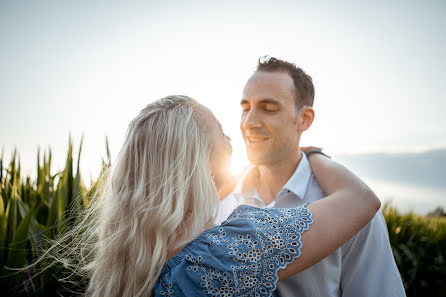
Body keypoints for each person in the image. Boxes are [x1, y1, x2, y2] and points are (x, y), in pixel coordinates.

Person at [67, 95, 380, 297]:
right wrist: (312, 154)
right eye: (219, 130)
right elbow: (361, 200)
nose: (234, 133)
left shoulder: (134, 265)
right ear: (197, 163)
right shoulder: (218, 258)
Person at [217, 56, 406, 297]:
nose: (249, 122)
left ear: (304, 119)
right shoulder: (221, 204)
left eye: (269, 108)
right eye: (245, 108)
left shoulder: (352, 213)